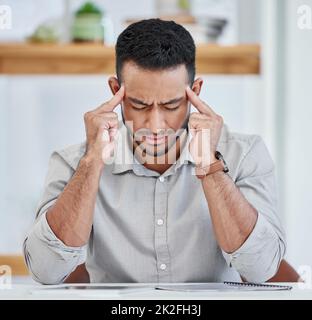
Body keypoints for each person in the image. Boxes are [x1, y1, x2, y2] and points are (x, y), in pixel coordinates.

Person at [23, 19, 285, 284]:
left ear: (195, 93)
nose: (156, 126)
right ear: (116, 92)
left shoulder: (245, 155)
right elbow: (46, 271)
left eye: (171, 105)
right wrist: (91, 163)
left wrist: (210, 165)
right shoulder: (72, 163)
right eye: (139, 105)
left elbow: (260, 270)